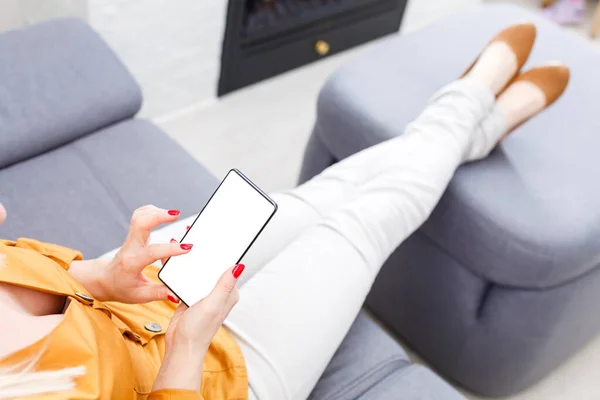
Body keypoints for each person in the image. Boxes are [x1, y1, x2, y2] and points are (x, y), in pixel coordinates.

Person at [0, 23, 569, 400]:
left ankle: (470, 125)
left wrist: (104, 275)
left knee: (310, 201)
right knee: (360, 225)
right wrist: (188, 347)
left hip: (133, 297)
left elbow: (47, 277)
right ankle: (467, 106)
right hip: (210, 378)